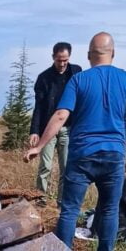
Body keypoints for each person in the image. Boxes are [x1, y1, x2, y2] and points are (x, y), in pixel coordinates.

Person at [24, 32, 126, 251]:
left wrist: (39, 146)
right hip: (113, 154)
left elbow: (61, 115)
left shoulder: (79, 80)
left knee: (70, 209)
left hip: (81, 153)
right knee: (109, 209)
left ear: (90, 55)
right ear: (112, 53)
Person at [29, 42, 82, 197]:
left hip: (69, 127)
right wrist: (34, 131)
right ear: (53, 57)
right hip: (48, 129)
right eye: (59, 60)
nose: (62, 63)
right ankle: (40, 199)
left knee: (66, 166)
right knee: (45, 166)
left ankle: (62, 202)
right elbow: (38, 107)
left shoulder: (77, 73)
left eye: (65, 60)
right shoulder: (44, 78)